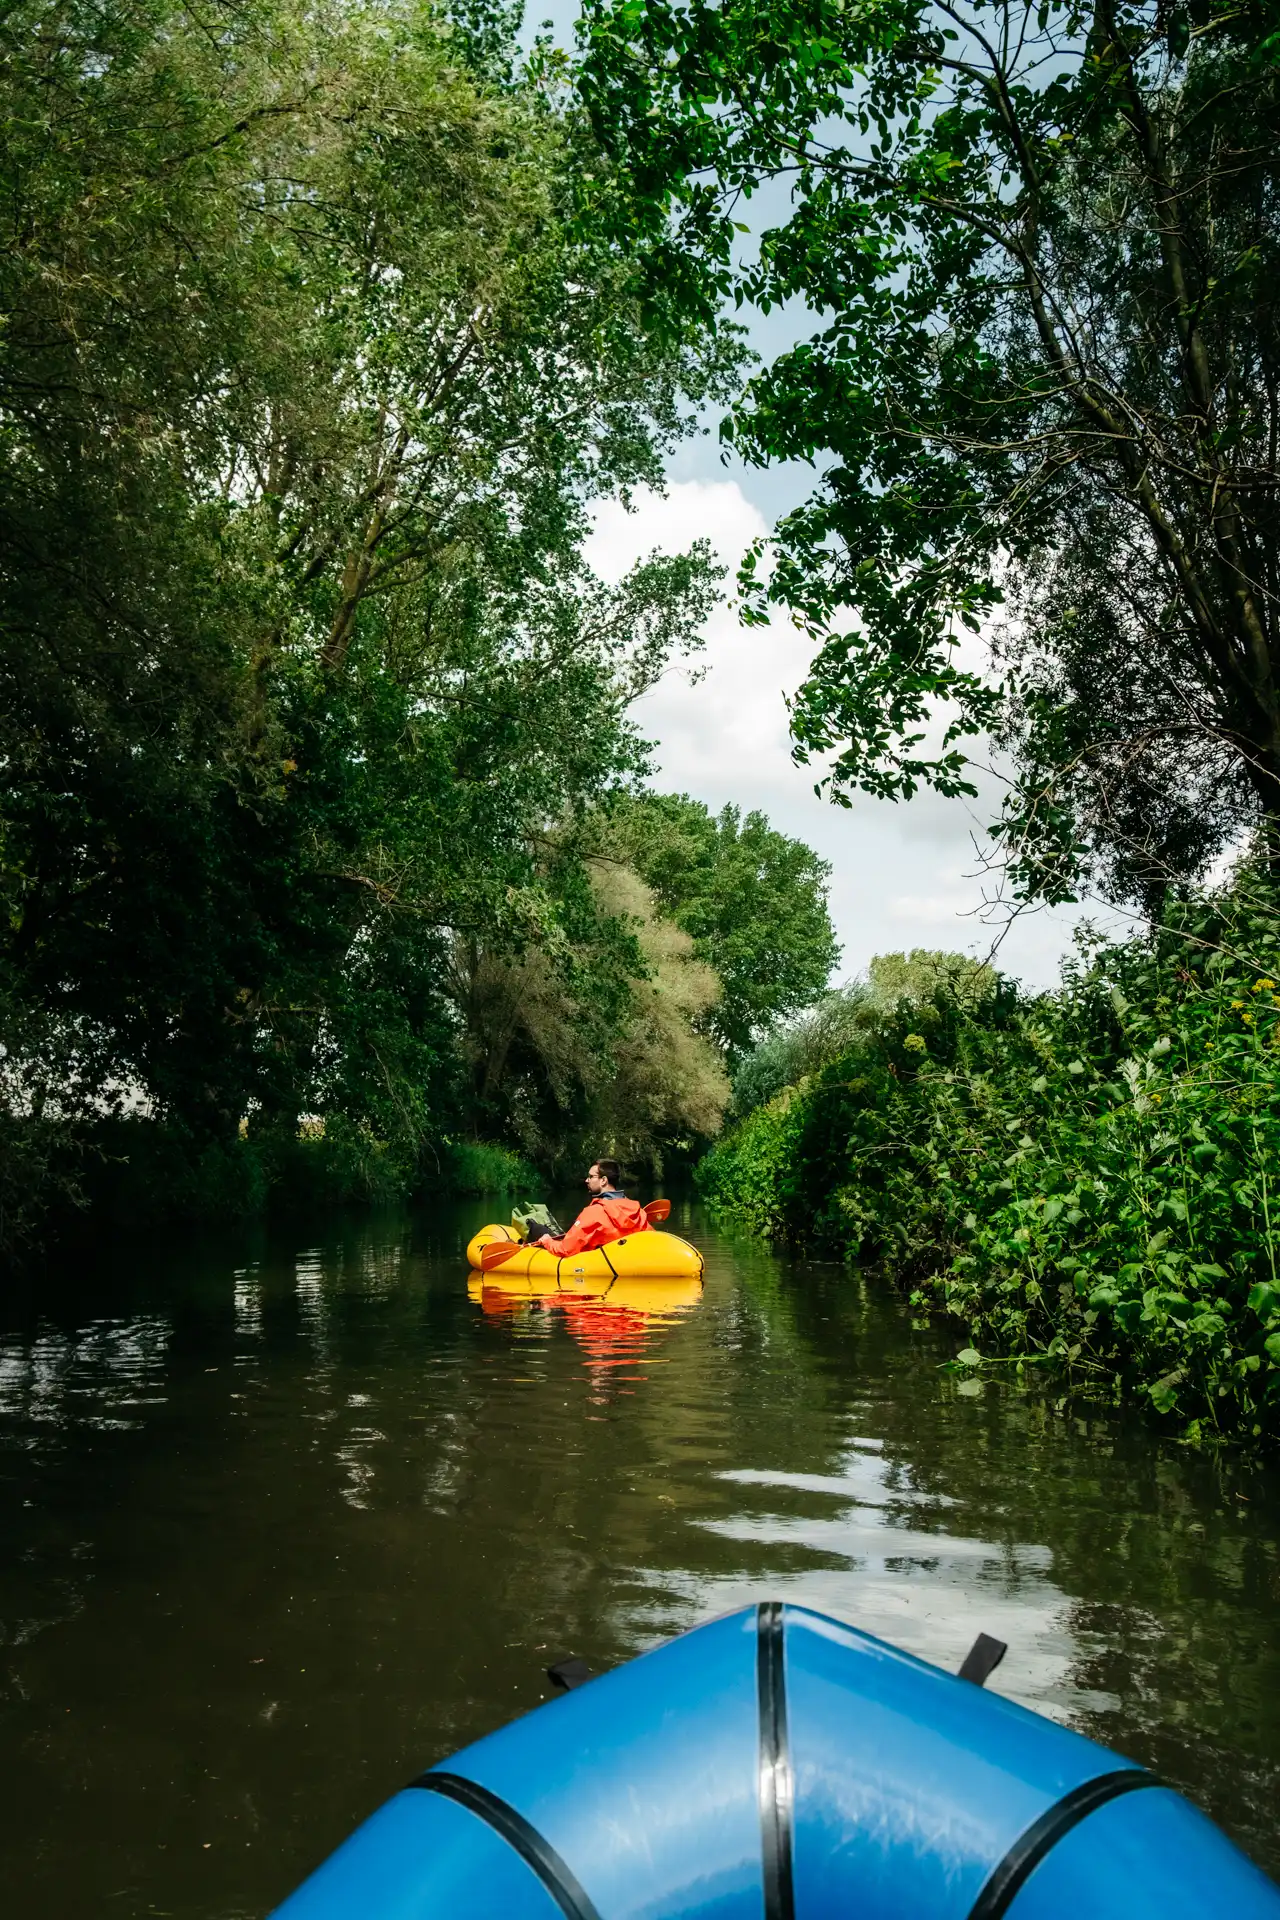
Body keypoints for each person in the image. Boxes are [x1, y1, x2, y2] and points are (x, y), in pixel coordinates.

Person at [525, 1160, 653, 1257]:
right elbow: (652, 1239)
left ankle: (522, 1247)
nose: (587, 1180)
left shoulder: (594, 1212)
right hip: (622, 1260)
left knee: (536, 1228)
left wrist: (547, 1241)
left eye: (591, 1177)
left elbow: (565, 1249)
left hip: (593, 1263)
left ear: (603, 1180)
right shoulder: (638, 1211)